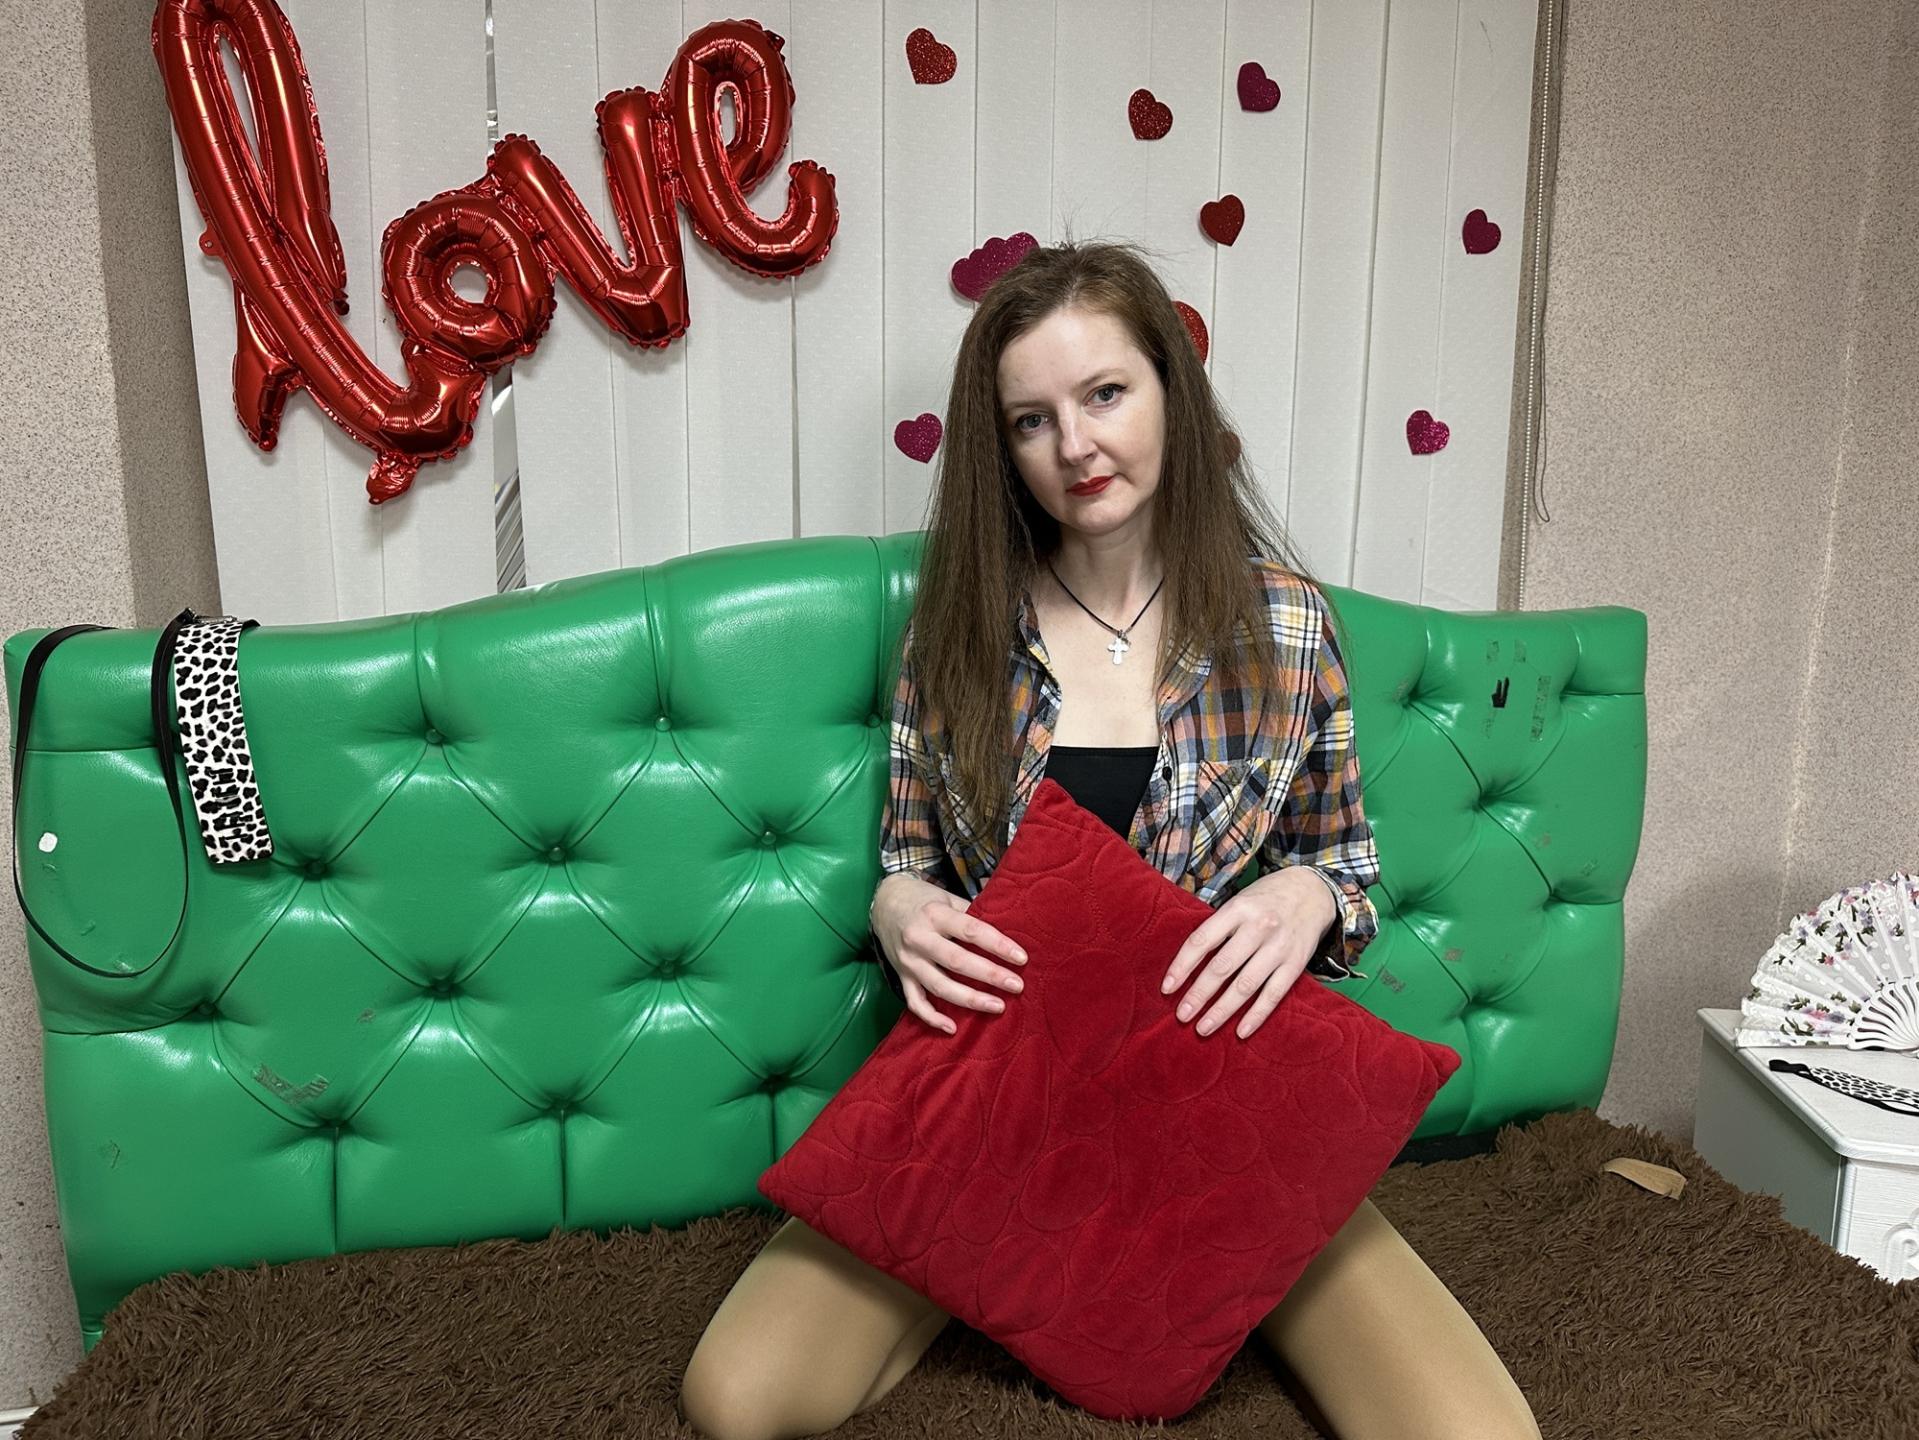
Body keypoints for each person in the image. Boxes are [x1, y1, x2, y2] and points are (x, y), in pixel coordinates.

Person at [679, 238, 1542, 1440]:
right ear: (1002, 448)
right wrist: (898, 908)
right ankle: (1028, 1266)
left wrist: (1302, 895)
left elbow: (1342, 865)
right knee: (736, 1399)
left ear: (1167, 394)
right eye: (1030, 421)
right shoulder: (957, 630)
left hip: (1213, 1096)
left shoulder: (1288, 627)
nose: (1074, 447)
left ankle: (1154, 1269)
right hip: (1006, 1095)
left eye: (1103, 395)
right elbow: (907, 863)